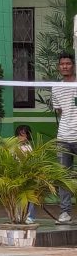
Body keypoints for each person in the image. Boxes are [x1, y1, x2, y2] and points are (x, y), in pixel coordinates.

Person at [52, 53, 77, 224]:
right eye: (62, 64)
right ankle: (65, 212)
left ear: (73, 65)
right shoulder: (56, 87)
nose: (65, 66)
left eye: (68, 63)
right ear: (59, 67)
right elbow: (59, 110)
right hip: (63, 137)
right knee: (63, 176)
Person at [14, 125, 35, 224]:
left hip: (27, 175)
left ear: (28, 136)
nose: (20, 138)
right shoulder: (14, 148)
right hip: (17, 175)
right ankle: (18, 215)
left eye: (23, 135)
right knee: (18, 197)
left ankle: (30, 216)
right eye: (19, 135)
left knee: (29, 197)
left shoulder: (29, 148)